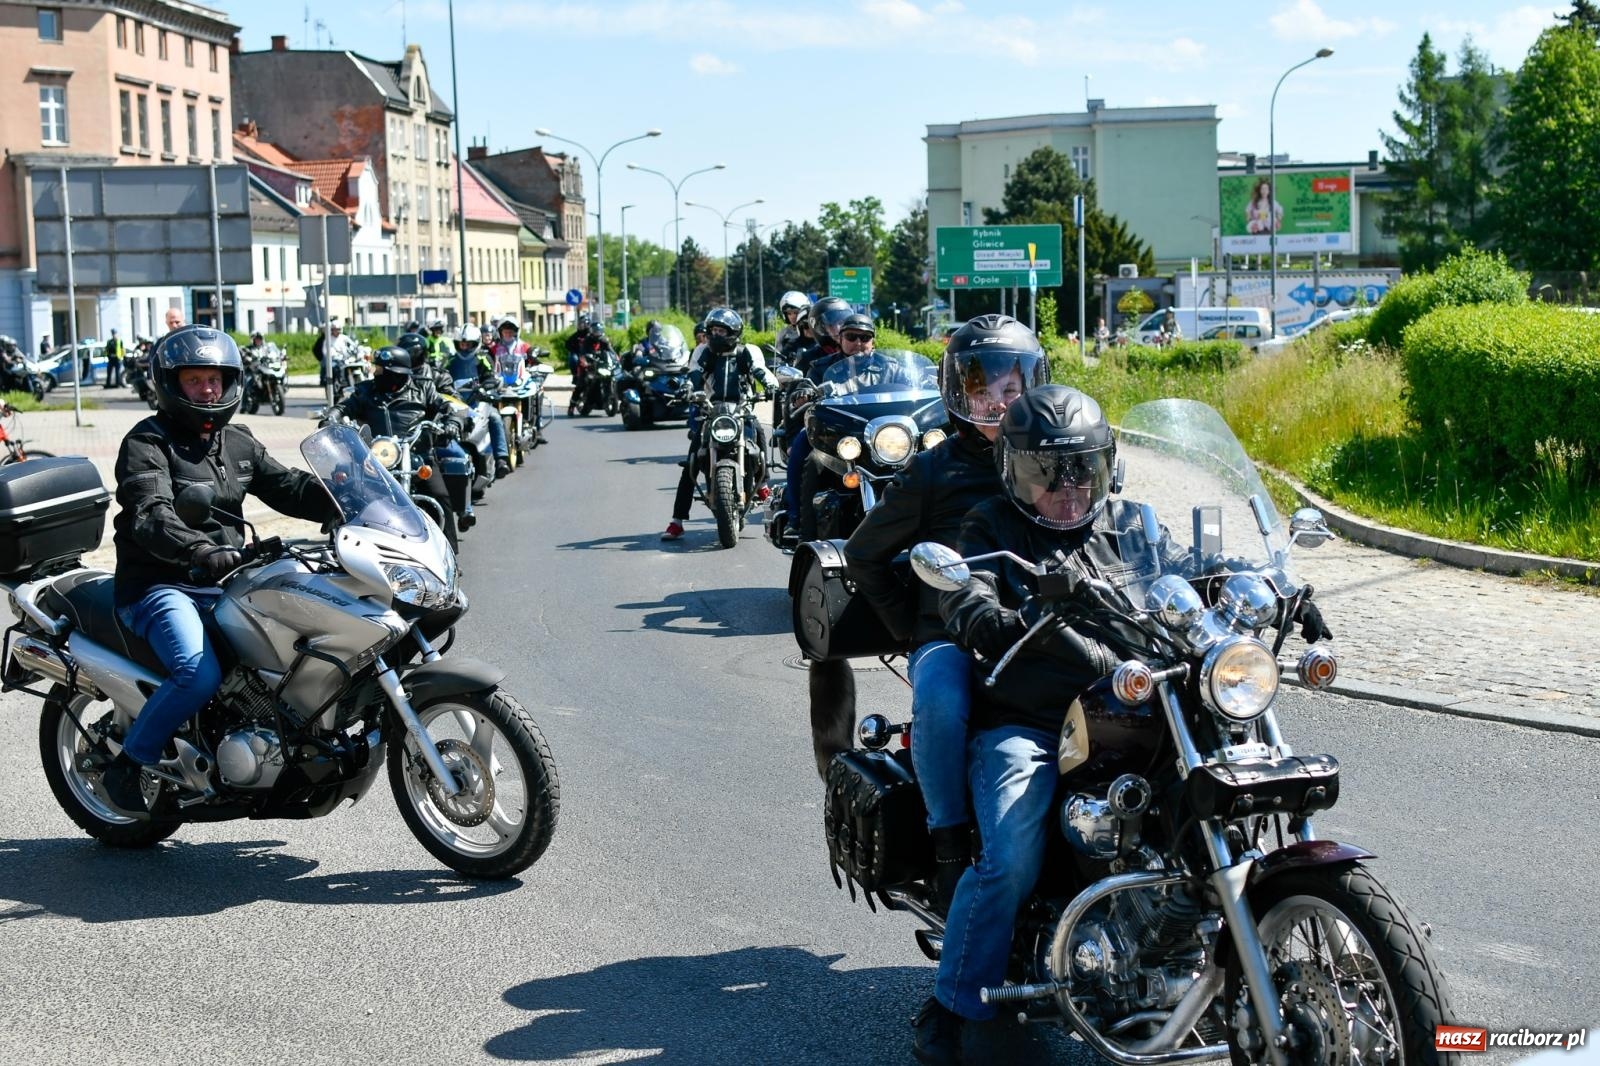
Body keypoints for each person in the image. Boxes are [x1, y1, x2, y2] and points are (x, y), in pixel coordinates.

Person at [839, 316, 1049, 909]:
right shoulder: (935, 469)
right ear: (960, 393)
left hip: (1043, 623)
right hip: (954, 631)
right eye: (985, 391)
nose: (1000, 404)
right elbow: (864, 553)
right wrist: (913, 628)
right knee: (941, 698)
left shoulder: (1057, 453)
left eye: (1013, 390)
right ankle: (950, 838)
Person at [98, 326, 337, 813]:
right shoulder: (146, 442)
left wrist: (346, 498)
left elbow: (288, 487)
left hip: (228, 580)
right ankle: (130, 763)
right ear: (170, 384)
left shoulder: (238, 441)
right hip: (163, 584)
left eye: (215, 379)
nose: (208, 390)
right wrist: (200, 551)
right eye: (194, 379)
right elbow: (150, 515)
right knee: (197, 673)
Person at [326, 343, 475, 532]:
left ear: (393, 372)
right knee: (345, 495)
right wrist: (332, 417)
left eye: (379, 369)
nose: (375, 373)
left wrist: (453, 422)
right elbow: (344, 407)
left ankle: (450, 554)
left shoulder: (423, 388)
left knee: (440, 495)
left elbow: (450, 406)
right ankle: (339, 546)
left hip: (417, 454)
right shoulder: (366, 391)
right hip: (373, 458)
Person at [661, 306, 777, 541]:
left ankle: (763, 483)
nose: (715, 335)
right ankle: (677, 520)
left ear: (733, 332)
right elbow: (695, 374)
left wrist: (773, 386)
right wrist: (689, 390)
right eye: (712, 330)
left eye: (721, 331)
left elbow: (760, 371)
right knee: (692, 462)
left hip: (742, 410)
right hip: (712, 412)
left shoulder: (747, 351)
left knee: (760, 436)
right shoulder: (703, 352)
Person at [789, 309, 877, 543]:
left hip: (878, 438)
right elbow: (804, 387)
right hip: (835, 438)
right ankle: (800, 525)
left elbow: (911, 387)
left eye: (864, 338)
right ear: (840, 339)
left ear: (873, 341)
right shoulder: (820, 367)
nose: (858, 343)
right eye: (851, 337)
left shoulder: (889, 367)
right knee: (809, 459)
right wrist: (803, 393)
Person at [448, 324, 511, 478]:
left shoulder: (483, 358)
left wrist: (488, 385)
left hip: (478, 399)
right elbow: (442, 376)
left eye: (468, 344)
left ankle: (501, 459)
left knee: (495, 417)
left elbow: (491, 375)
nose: (464, 347)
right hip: (456, 400)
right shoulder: (450, 361)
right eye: (462, 344)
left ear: (475, 344)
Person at [774, 291, 812, 361]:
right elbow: (779, 358)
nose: (792, 316)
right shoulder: (783, 334)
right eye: (789, 313)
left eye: (795, 312)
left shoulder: (812, 329)